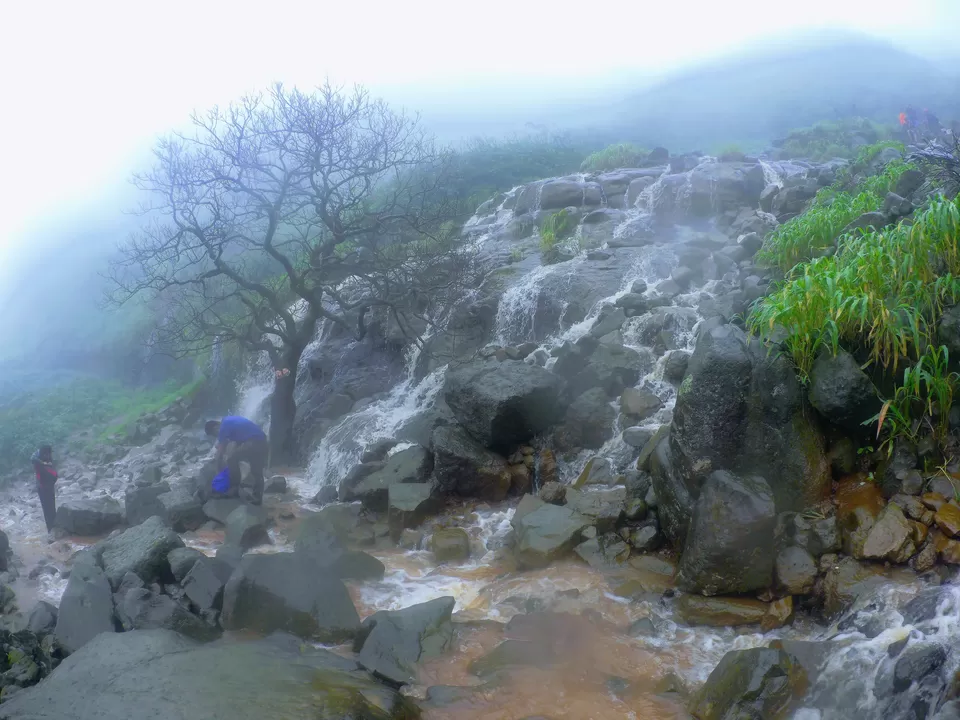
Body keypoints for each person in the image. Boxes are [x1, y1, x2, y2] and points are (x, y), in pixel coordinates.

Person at [205, 416, 268, 505]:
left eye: (214, 434)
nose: (217, 436)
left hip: (252, 443)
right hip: (262, 441)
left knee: (231, 459)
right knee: (256, 471)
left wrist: (218, 470)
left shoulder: (224, 426)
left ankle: (234, 488)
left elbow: (220, 452)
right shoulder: (231, 421)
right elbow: (236, 443)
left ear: (215, 427)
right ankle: (257, 498)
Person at [30, 445, 58, 532]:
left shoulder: (44, 459)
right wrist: (45, 464)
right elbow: (33, 459)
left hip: (46, 486)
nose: (49, 456)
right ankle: (51, 529)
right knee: (48, 509)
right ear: (45, 453)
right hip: (44, 487)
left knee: (50, 508)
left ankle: (52, 527)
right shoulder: (38, 460)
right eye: (48, 454)